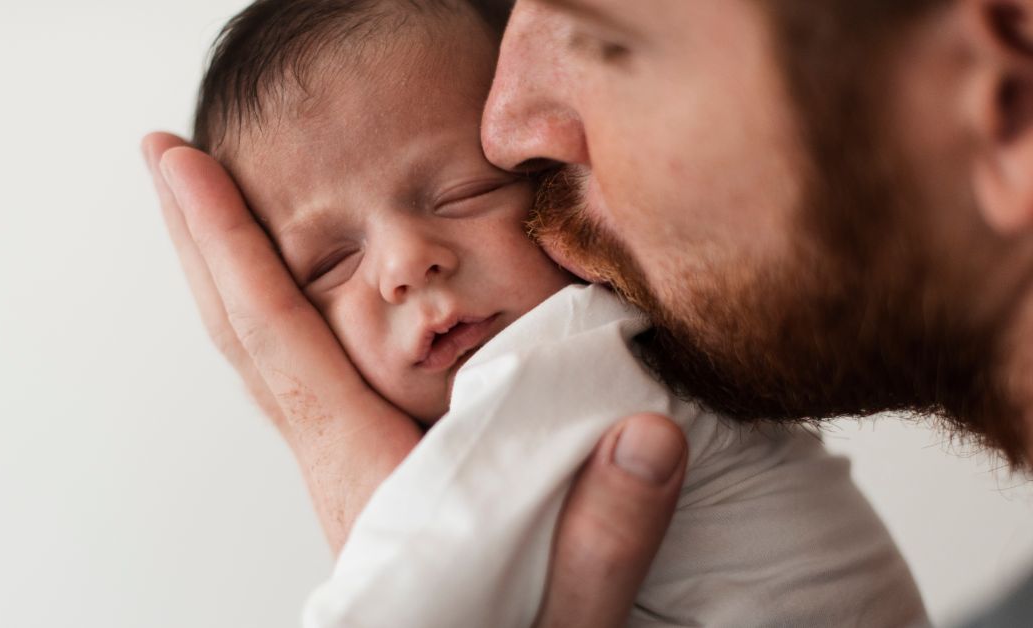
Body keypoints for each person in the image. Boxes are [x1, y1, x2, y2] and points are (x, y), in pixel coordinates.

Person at [142, 0, 1033, 624]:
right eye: (330, 265)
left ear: (1009, 98)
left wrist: (375, 500)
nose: (510, 127)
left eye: (606, 38)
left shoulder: (572, 350)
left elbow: (425, 579)